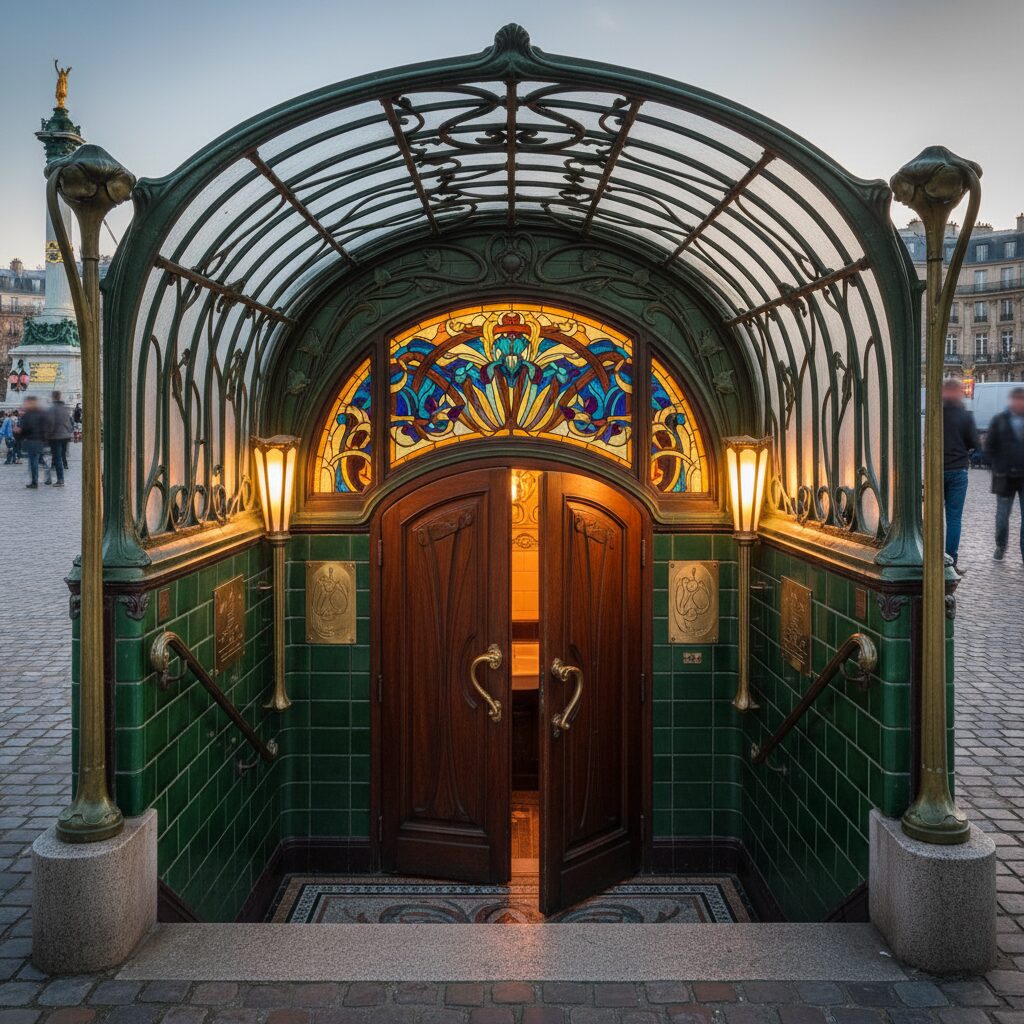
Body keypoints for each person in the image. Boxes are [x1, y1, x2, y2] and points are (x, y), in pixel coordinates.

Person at [942, 378, 980, 571]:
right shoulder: (965, 416)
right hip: (958, 470)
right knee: (954, 519)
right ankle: (950, 561)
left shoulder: (936, 413)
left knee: (932, 517)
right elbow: (974, 442)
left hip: (937, 470)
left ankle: (930, 556)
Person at [985, 386, 1024, 563]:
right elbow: (989, 447)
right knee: (1002, 517)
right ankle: (1001, 545)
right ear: (1012, 401)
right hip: (1005, 477)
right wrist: (997, 466)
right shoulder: (999, 420)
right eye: (1017, 399)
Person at [17, 397, 48, 489]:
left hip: (32, 440)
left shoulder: (29, 415)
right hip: (39, 441)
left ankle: (34, 482)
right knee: (37, 461)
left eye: (26, 403)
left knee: (33, 462)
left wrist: (19, 431)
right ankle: (41, 479)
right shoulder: (41, 413)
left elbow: (26, 428)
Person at [45, 391, 74, 487]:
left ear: (53, 397)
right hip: (65, 436)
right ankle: (60, 477)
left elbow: (50, 424)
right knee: (61, 456)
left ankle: (60, 479)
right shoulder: (65, 409)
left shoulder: (52, 409)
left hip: (56, 437)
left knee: (57, 458)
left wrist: (47, 435)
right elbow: (69, 424)